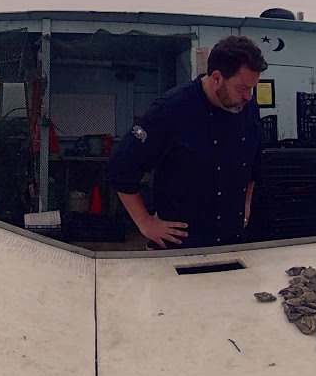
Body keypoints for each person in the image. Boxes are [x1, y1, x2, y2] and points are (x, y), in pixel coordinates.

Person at [106, 35, 267, 249]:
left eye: (252, 88)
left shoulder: (249, 109)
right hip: (180, 245)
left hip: (232, 241)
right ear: (217, 77)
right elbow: (120, 167)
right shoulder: (171, 109)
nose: (248, 96)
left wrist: (246, 204)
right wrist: (145, 223)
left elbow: (253, 163)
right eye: (241, 88)